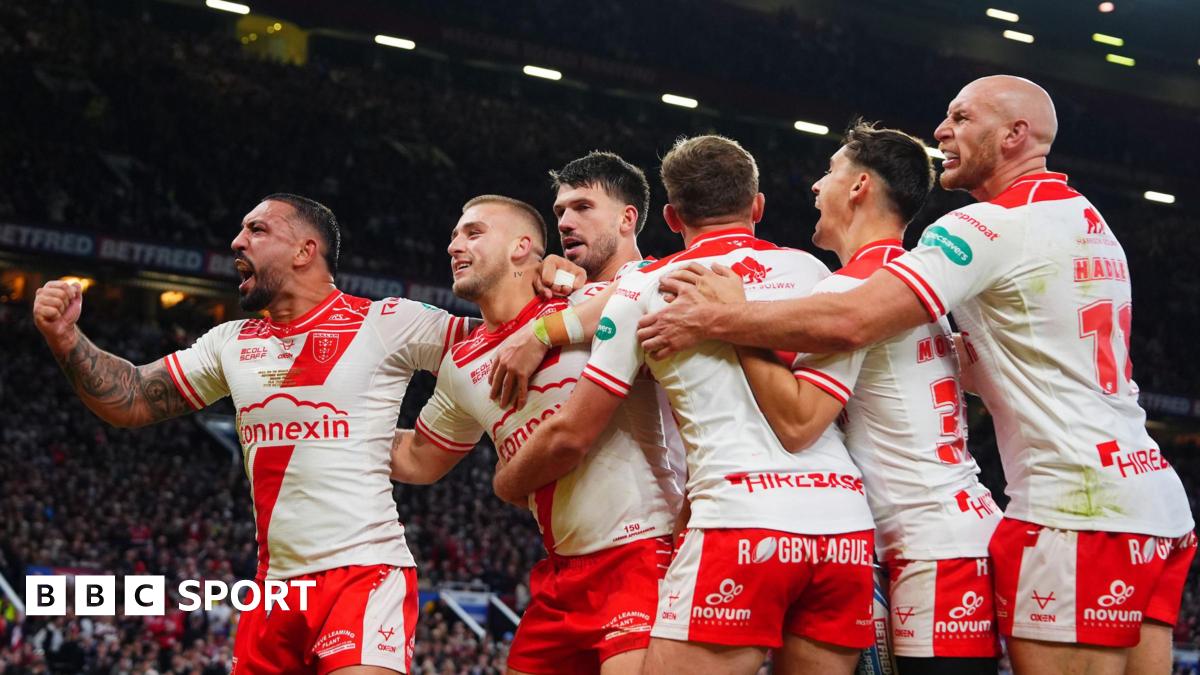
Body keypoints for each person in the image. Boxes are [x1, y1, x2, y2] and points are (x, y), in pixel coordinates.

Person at [638, 76, 1197, 675]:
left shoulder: (982, 229)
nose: (941, 130)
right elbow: (999, 360)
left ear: (1014, 135)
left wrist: (727, 317)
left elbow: (849, 323)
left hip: (1066, 511)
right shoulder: (1089, 221)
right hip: (1146, 496)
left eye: (961, 117)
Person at [33, 193, 471, 675]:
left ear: (305, 251)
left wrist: (553, 293)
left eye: (257, 230)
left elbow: (495, 339)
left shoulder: (389, 321)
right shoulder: (231, 343)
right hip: (274, 588)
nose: (237, 241)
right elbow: (133, 397)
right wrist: (67, 340)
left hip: (363, 572)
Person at [494, 135, 876, 675]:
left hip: (740, 520)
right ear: (758, 206)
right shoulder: (815, 273)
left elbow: (571, 433)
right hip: (843, 524)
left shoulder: (649, 287)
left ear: (670, 218)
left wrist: (506, 482)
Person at [676, 121, 1002, 674]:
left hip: (928, 547)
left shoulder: (853, 290)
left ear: (859, 188)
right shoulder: (913, 284)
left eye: (829, 171)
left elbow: (800, 421)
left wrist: (733, 323)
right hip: (955, 526)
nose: (815, 186)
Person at [389, 193, 683, 675]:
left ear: (522, 246)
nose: (453, 246)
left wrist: (547, 323)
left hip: (641, 551)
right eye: (453, 235)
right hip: (558, 575)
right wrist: (329, 427)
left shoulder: (585, 302)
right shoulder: (461, 364)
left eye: (473, 233)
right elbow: (419, 458)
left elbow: (654, 284)